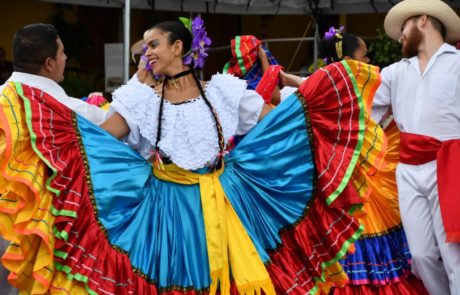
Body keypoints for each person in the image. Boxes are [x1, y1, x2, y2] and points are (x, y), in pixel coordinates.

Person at [0, 18, 382, 294]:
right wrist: (47, 124)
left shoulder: (221, 91)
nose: (146, 53)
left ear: (178, 48)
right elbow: (97, 140)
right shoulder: (140, 99)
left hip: (231, 200)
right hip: (169, 209)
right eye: (145, 47)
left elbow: (273, 121)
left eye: (153, 44)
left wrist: (311, 102)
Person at [279, 27, 427, 294]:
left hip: (348, 181)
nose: (369, 62)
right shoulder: (342, 88)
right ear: (348, 60)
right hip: (353, 181)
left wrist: (295, 80)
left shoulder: (337, 88)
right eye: (365, 56)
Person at [0, 23, 108, 295]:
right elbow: (116, 129)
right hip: (36, 229)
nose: (66, 59)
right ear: (49, 63)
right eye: (62, 53)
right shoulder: (68, 110)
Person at [372, 0, 460, 294]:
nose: (400, 36)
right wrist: (301, 86)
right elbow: (358, 97)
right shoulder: (396, 72)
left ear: (423, 20)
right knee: (421, 256)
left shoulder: (457, 64)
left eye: (405, 27)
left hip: (450, 168)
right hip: (408, 171)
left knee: (455, 256)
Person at [0, 23, 107, 125]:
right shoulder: (73, 111)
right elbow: (113, 128)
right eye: (62, 52)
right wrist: (100, 104)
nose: (65, 57)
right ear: (49, 64)